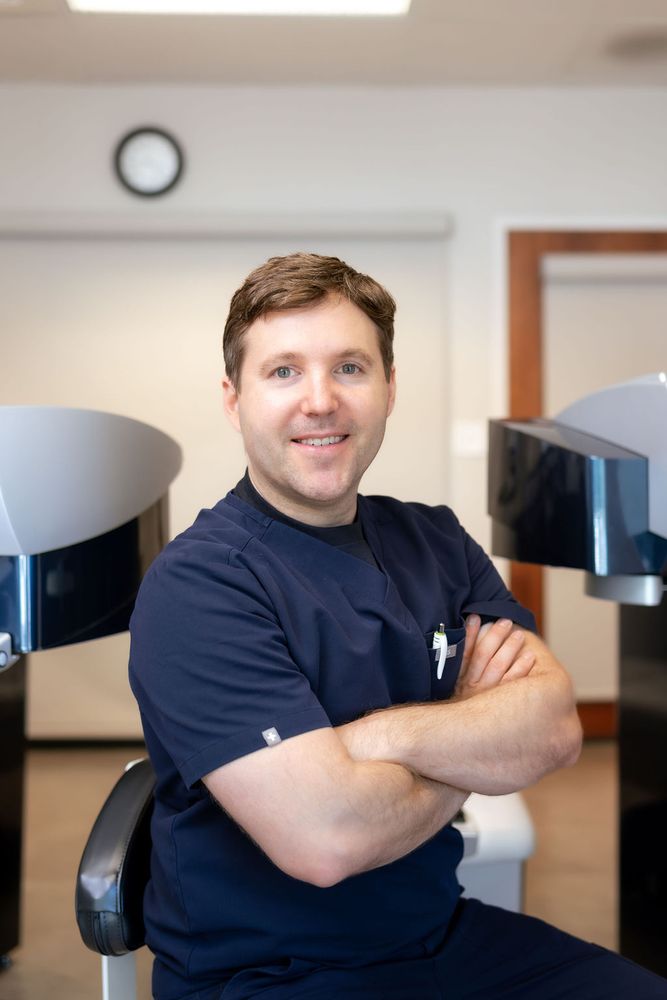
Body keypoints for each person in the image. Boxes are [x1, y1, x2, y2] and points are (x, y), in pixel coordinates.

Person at [129, 252, 667, 1000]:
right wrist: (468, 730)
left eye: (349, 367)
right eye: (283, 372)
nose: (320, 401)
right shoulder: (200, 584)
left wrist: (369, 744)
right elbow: (327, 841)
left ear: (388, 387)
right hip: (272, 974)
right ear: (234, 399)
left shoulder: (435, 539)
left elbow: (552, 731)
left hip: (444, 937)